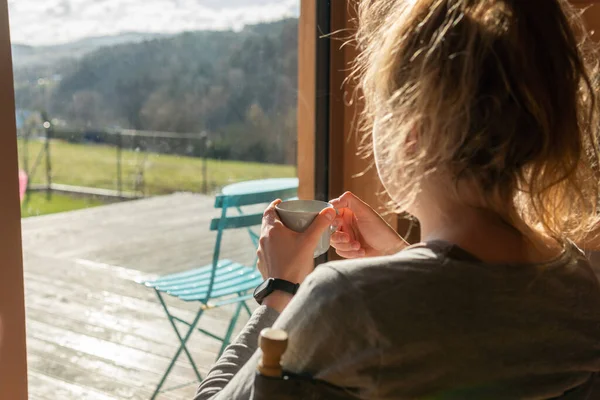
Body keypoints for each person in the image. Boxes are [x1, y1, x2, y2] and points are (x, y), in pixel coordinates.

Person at [195, 0, 600, 398]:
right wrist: (400, 255)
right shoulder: (580, 281)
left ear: (410, 135)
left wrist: (280, 289)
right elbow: (476, 322)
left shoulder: (347, 303)